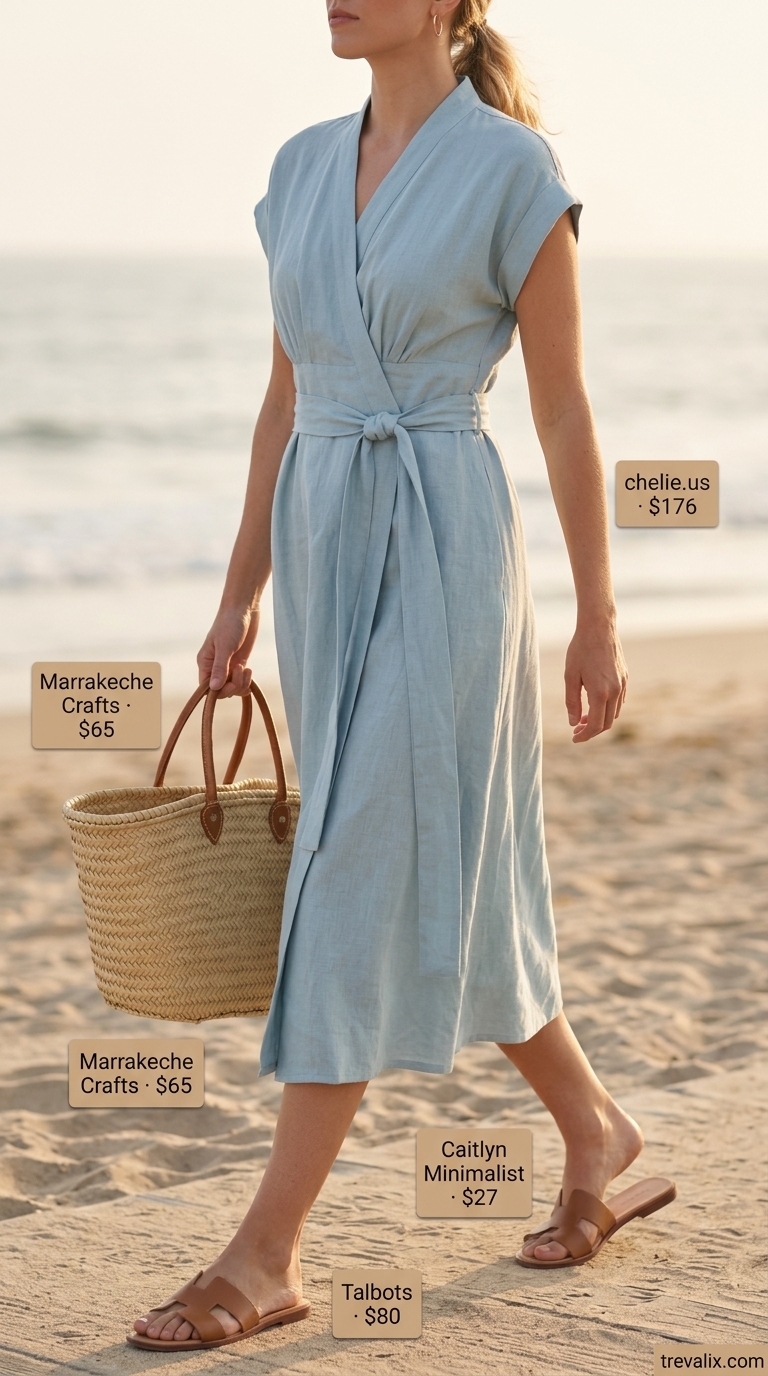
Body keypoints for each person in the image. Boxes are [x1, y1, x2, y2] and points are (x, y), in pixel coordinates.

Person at [129, 0, 675, 1351]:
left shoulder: (515, 174)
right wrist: (236, 588)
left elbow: (560, 408)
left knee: (359, 872)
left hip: (446, 549)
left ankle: (265, 1253)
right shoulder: (299, 169)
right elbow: (284, 395)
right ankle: (603, 1131)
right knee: (457, 886)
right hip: (323, 546)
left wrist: (599, 615)